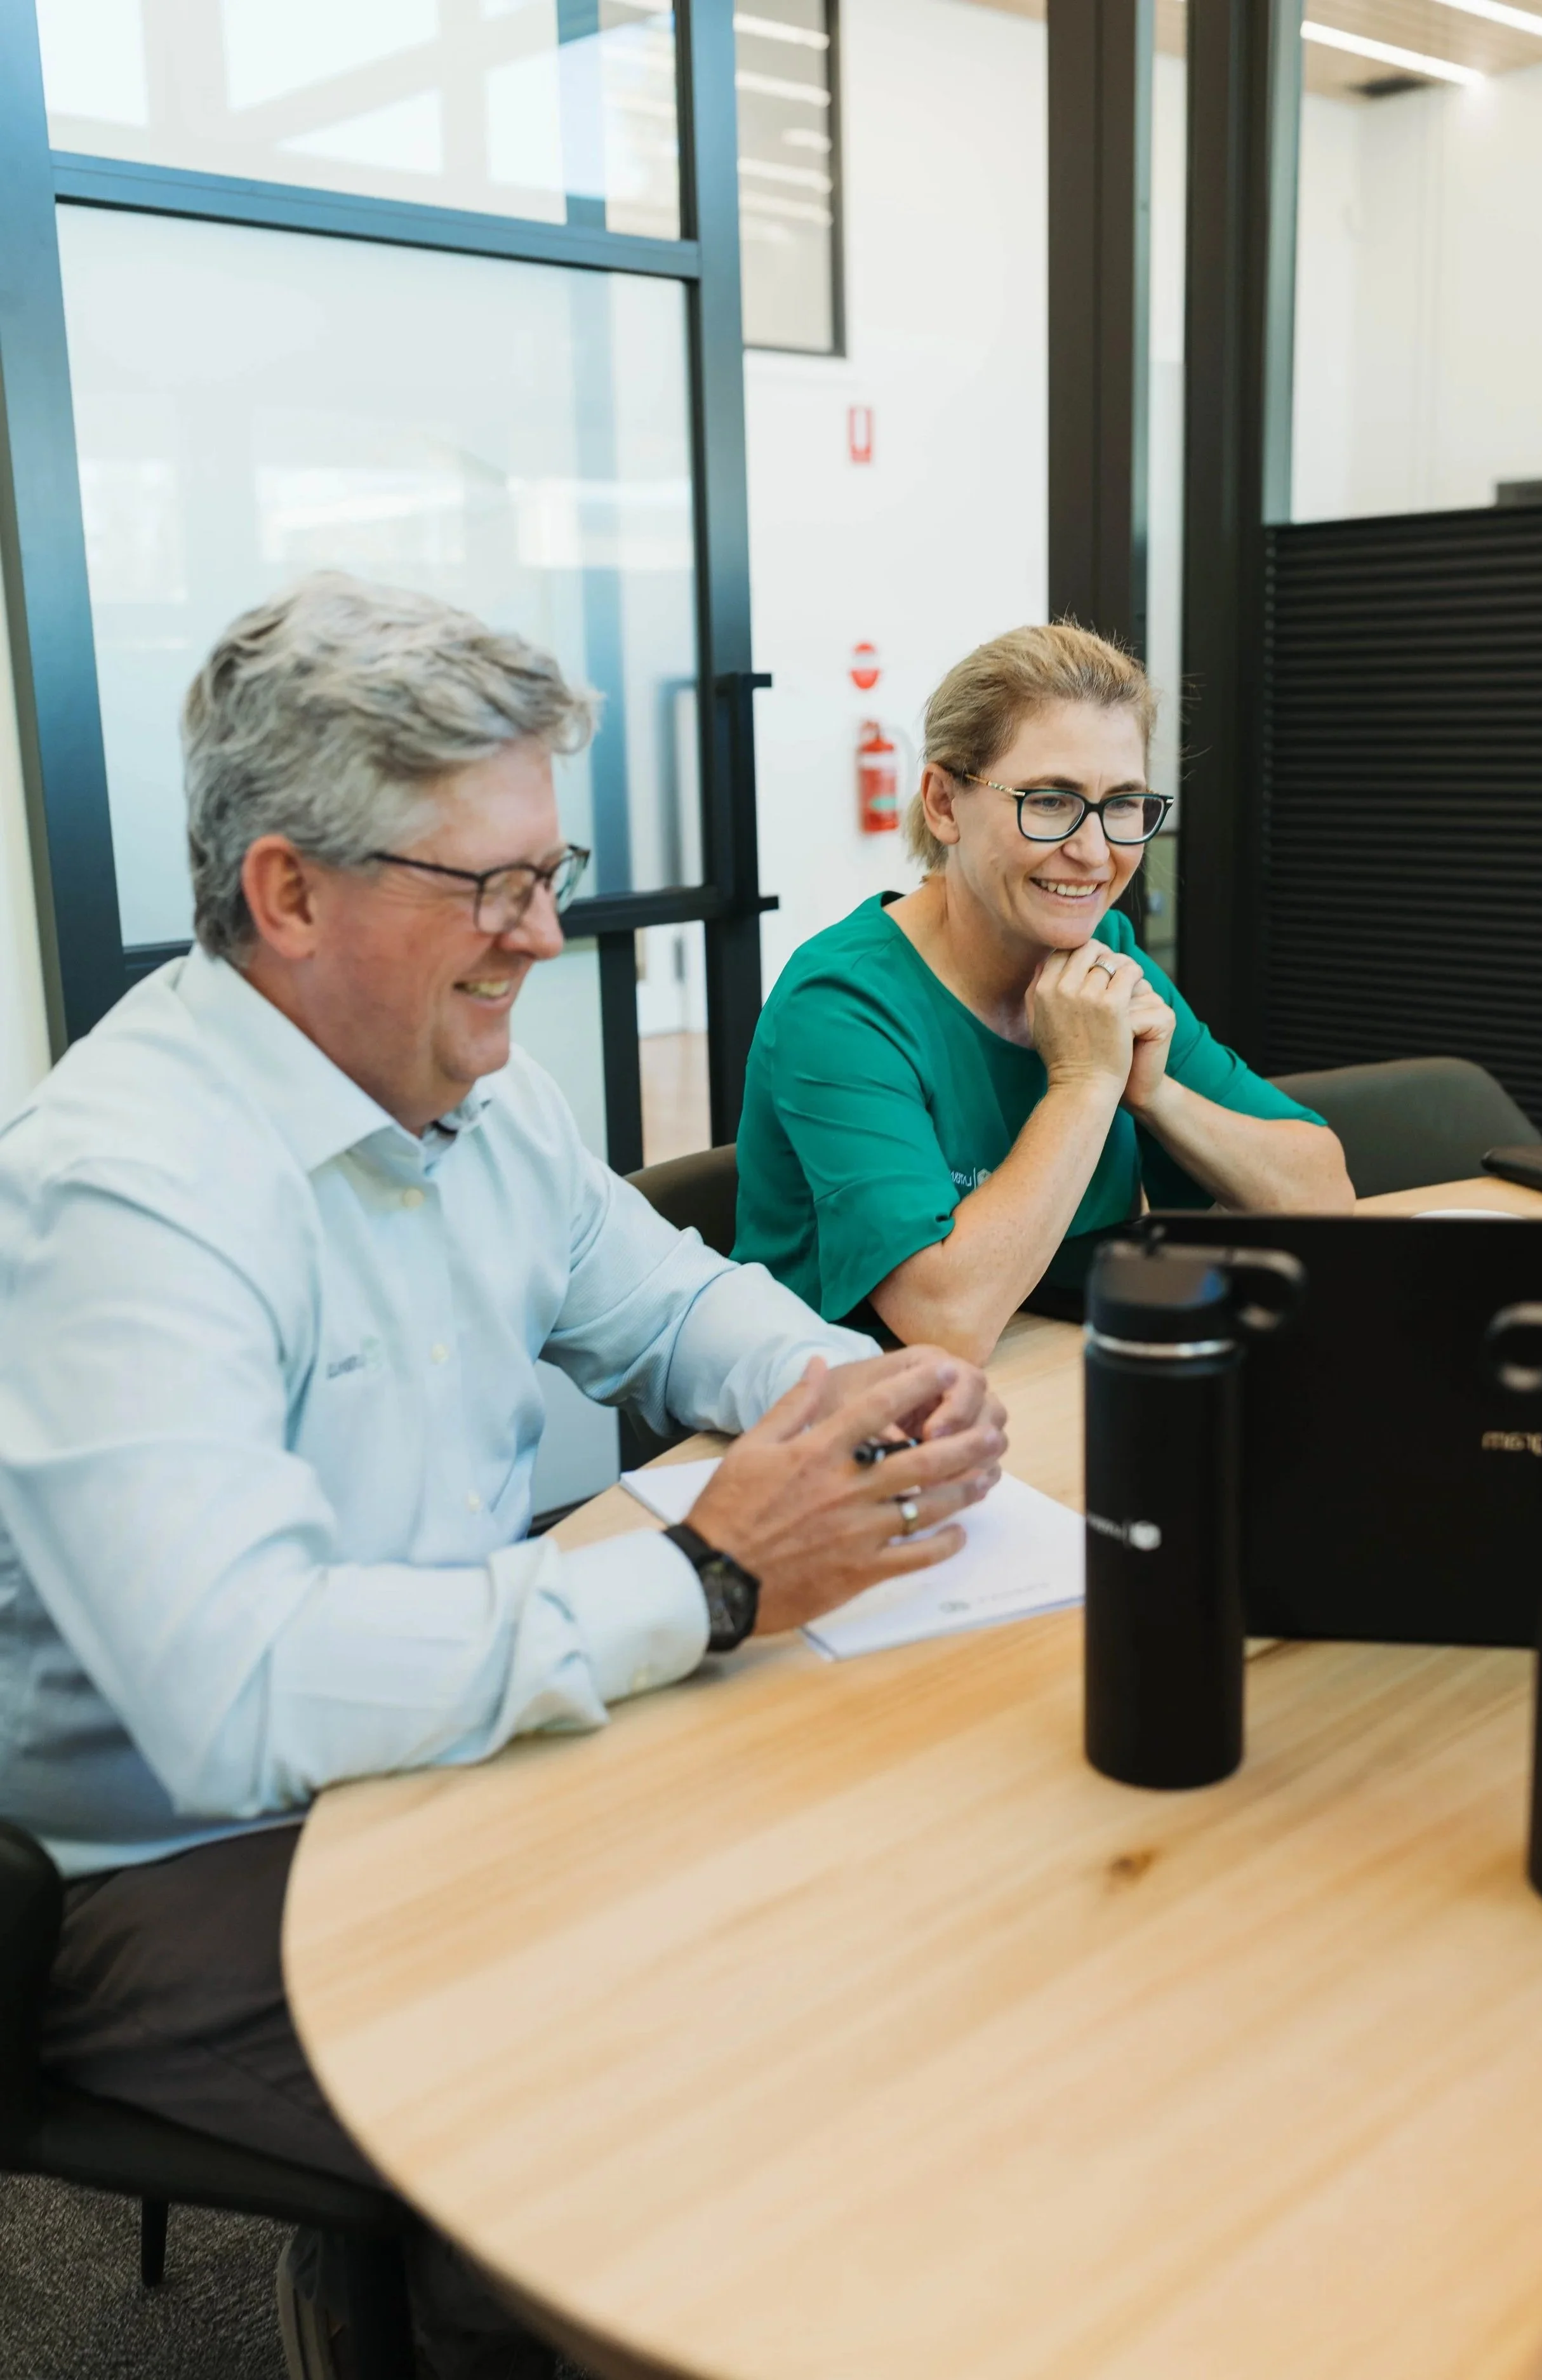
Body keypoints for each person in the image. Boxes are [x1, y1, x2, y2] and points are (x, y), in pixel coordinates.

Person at [0, 573, 1005, 2380]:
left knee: (838, 1926)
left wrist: (859, 1389)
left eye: (550, 871)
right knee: (650, 2100)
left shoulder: (471, 1086)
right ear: (287, 891)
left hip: (438, 1738)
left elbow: (669, 1303)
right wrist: (704, 1576)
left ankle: (436, 2281)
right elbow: (238, 1693)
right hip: (167, 1856)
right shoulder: (126, 1186)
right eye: (490, 886)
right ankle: (445, 2282)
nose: (544, 935)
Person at [734, 622, 1353, 1361]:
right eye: (1051, 800)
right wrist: (1087, 1080)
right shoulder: (843, 1003)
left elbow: (1324, 1197)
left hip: (1050, 1366)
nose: (1094, 853)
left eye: (1123, 804)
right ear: (943, 802)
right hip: (853, 1411)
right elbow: (947, 1317)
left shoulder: (1106, 957)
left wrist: (1157, 1096)